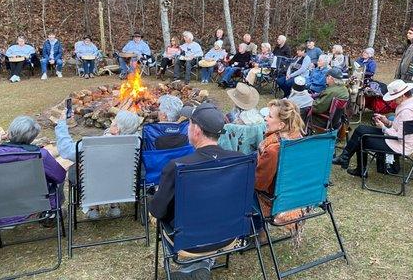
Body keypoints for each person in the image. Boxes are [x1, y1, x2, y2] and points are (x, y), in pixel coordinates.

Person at [149, 103, 243, 280]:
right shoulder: (239, 161)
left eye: (189, 124)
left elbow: (157, 211)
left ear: (197, 130)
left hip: (190, 242)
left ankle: (194, 265)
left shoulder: (177, 166)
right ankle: (204, 263)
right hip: (228, 235)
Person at [0, 116, 66, 227]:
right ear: (33, 136)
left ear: (10, 133)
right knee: (55, 179)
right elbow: (60, 176)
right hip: (34, 205)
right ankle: (51, 213)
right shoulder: (39, 155)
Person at [55, 109, 140, 219]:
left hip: (94, 183)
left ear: (117, 129)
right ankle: (114, 205)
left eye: (114, 121)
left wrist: (62, 123)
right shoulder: (137, 143)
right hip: (123, 184)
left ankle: (93, 207)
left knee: (78, 168)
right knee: (114, 171)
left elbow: (67, 151)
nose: (112, 122)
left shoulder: (93, 144)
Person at [332, 79, 413, 177]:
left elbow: (400, 136)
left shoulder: (408, 112)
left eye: (395, 98)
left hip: (400, 145)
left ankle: (356, 166)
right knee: (360, 129)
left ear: (403, 96)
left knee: (361, 139)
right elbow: (402, 127)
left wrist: (383, 127)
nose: (393, 101)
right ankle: (345, 159)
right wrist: (386, 121)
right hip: (397, 139)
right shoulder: (412, 103)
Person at [255, 99, 304, 241]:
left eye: (269, 116)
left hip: (275, 199)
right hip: (300, 194)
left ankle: (257, 230)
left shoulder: (273, 149)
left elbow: (259, 185)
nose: (265, 118)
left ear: (281, 125)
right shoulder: (300, 139)